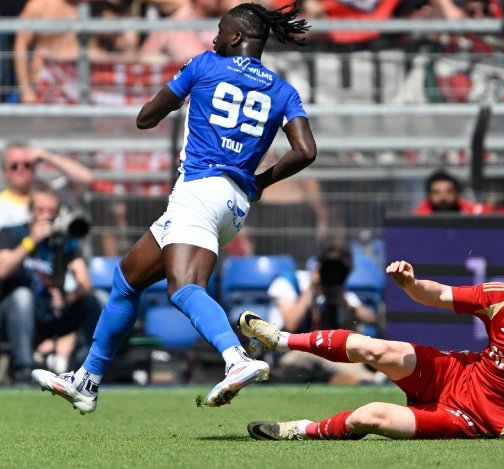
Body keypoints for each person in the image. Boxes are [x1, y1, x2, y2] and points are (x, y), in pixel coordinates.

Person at [31, 1, 317, 413]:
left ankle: (236, 359)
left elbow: (146, 117)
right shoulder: (283, 89)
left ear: (235, 37)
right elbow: (305, 151)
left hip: (198, 190)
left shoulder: (204, 64)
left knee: (183, 287)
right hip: (234, 202)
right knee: (127, 277)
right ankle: (87, 380)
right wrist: (259, 182)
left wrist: (179, 88)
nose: (215, 37)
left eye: (219, 30)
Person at [239, 248, 504, 441]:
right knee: (379, 349)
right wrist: (411, 284)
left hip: (474, 421)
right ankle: (281, 338)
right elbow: (440, 295)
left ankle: (299, 430)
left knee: (370, 415)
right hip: (455, 374)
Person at [0, 184, 99, 384]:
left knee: (96, 301)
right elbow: (3, 270)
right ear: (30, 211)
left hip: (51, 312)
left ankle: (84, 370)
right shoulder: (12, 233)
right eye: (40, 210)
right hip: (17, 315)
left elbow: (85, 283)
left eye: (51, 211)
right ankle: (23, 370)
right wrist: (32, 240)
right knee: (22, 297)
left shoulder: (64, 240)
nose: (46, 216)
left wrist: (68, 297)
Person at [265, 243, 380, 384]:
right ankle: (362, 378)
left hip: (326, 358)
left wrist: (343, 305)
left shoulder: (339, 293)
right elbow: (290, 324)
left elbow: (372, 318)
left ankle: (341, 379)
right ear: (318, 266)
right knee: (311, 359)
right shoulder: (290, 282)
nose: (333, 274)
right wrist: (311, 289)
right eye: (330, 268)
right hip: (290, 356)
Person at [0, 142, 93, 230]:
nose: (21, 169)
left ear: (34, 166)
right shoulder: (2, 204)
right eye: (14, 166)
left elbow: (84, 178)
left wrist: (44, 155)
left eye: (27, 165)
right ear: (5, 170)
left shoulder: (52, 193)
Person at [413, 169, 487, 215]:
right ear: (429, 195)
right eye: (436, 192)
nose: (443, 197)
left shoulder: (474, 213)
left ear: (456, 193)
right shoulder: (418, 219)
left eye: (448, 192)